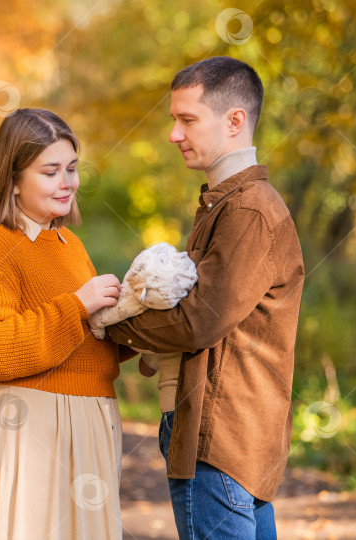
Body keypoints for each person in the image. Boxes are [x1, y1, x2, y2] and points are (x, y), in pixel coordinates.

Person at [106, 56, 305, 539]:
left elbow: (199, 322)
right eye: (175, 119)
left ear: (235, 121)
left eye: (187, 120)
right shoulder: (227, 203)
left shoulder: (249, 211)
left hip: (219, 441)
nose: (174, 134)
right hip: (236, 441)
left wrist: (107, 323)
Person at [0, 108, 138, 540]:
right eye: (51, 171)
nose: (67, 183)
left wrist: (134, 324)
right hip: (21, 433)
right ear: (12, 179)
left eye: (71, 169)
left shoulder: (69, 244)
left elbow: (81, 339)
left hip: (83, 432)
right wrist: (77, 306)